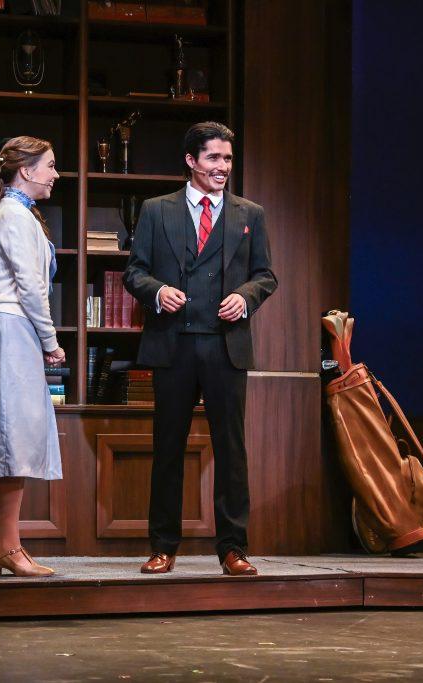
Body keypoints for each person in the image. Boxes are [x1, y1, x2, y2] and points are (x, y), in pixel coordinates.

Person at [123, 121, 277, 576]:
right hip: (172, 345)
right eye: (213, 158)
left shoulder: (250, 214)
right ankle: (162, 546)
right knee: (167, 447)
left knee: (231, 449)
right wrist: (156, 291)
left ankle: (233, 548)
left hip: (226, 347)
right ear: (191, 161)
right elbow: (135, 271)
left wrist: (245, 298)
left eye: (227, 159)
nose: (223, 167)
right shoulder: (156, 210)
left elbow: (266, 275)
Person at [0, 136, 65, 578]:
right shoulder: (13, 215)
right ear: (26, 170)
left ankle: (6, 545)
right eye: (49, 165)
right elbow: (30, 286)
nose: (54, 173)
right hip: (11, 327)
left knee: (18, 438)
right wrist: (50, 341)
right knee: (12, 438)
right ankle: (7, 547)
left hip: (15, 329)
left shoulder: (19, 214)